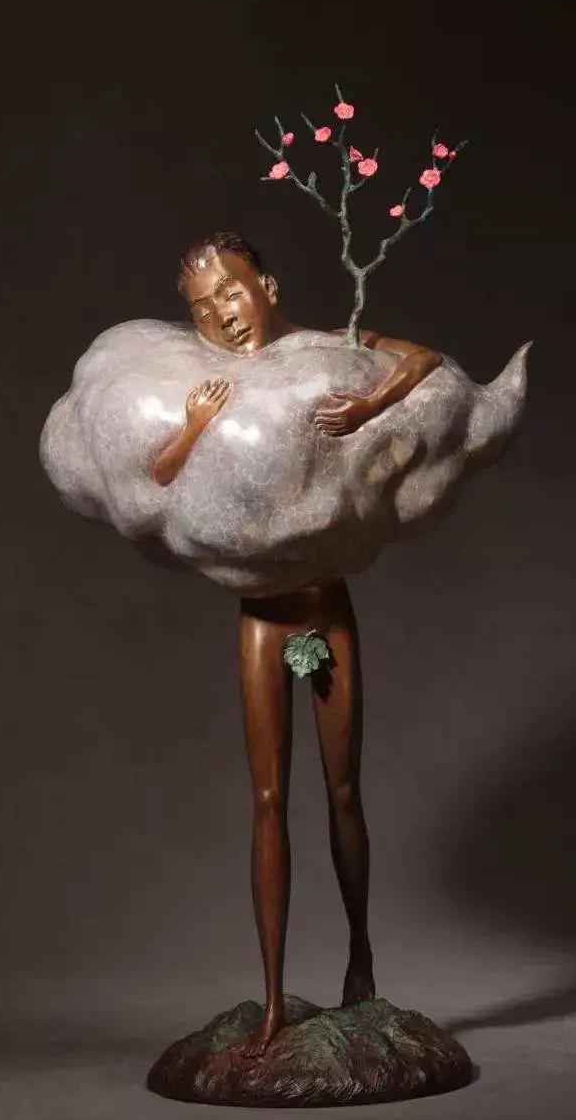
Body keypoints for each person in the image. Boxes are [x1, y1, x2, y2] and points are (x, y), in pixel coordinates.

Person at [151, 233, 442, 1056]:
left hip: (325, 604)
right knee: (268, 800)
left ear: (268, 285)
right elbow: (159, 475)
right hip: (261, 612)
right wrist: (195, 424)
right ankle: (275, 999)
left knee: (344, 790)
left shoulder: (327, 350)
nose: (222, 317)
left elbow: (423, 359)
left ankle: (361, 956)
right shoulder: (207, 381)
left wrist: (368, 406)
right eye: (202, 310)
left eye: (231, 293)